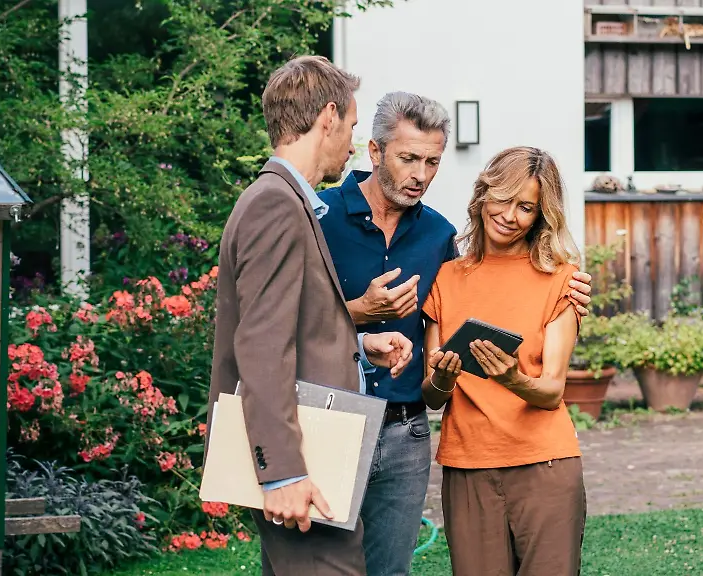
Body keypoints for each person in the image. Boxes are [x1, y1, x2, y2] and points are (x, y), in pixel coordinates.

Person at [317, 93, 593, 576]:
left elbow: (547, 385)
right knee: (313, 565)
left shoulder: (444, 243)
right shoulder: (321, 219)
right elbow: (280, 317)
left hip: (421, 436)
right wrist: (359, 316)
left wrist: (499, 375)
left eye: (432, 161)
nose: (420, 174)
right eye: (409, 158)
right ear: (376, 152)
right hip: (335, 421)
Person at [206, 55, 414, 576]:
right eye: (350, 124)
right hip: (302, 465)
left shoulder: (282, 199)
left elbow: (285, 325)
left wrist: (358, 346)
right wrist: (283, 473)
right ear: (328, 117)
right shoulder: (275, 203)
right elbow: (259, 345)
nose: (350, 141)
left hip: (312, 456)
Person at [421, 146, 587, 576]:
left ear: (540, 215)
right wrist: (443, 376)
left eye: (526, 207)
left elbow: (551, 391)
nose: (509, 215)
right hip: (468, 467)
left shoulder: (562, 280)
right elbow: (433, 397)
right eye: (504, 197)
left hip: (545, 465)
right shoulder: (446, 279)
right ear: (483, 193)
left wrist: (513, 378)